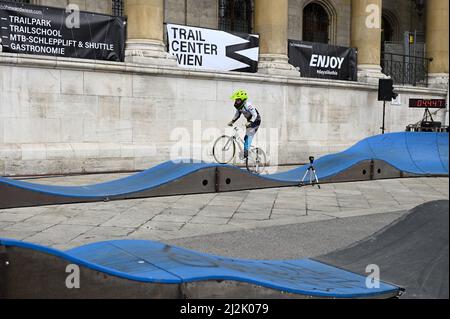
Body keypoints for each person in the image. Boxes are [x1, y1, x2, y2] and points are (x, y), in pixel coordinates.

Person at [228, 90, 262, 158]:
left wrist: (251, 122)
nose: (236, 102)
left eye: (238, 100)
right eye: (236, 100)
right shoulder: (240, 107)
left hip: (256, 120)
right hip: (249, 121)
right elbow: (237, 115)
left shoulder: (248, 105)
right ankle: (250, 149)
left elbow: (254, 114)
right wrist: (232, 121)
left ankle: (246, 151)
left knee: (248, 136)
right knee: (245, 138)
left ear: (242, 100)